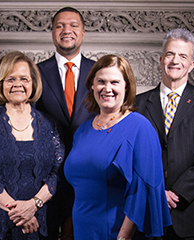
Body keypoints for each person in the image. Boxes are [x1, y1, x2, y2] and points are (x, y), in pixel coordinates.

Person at [64, 55, 172, 239]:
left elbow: (143, 192)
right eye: (101, 82)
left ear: (126, 87)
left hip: (115, 234)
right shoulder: (82, 130)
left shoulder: (140, 127)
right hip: (82, 232)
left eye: (115, 82)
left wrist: (123, 237)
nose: (107, 89)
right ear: (92, 85)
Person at [135, 28, 194, 240]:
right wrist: (156, 194)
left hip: (190, 214)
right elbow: (134, 157)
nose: (175, 61)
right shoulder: (138, 104)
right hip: (147, 212)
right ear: (161, 59)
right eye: (170, 54)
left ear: (192, 64)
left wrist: (177, 194)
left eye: (183, 56)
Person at [0, 51, 64, 240]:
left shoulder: (51, 124)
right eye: (10, 79)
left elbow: (57, 173)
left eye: (24, 78)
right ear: (0, 84)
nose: (17, 85)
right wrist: (19, 213)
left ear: (33, 83)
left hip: (40, 222)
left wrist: (33, 206)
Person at [35, 7, 96, 239]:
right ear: (52, 32)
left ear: (83, 32)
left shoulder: (99, 72)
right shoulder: (36, 73)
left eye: (73, 25)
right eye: (60, 25)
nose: (66, 30)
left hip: (88, 176)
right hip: (46, 177)